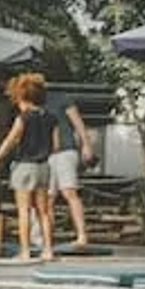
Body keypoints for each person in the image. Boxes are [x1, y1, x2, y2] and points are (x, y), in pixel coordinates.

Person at [0, 73, 59, 261]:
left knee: (24, 211)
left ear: (20, 96)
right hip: (44, 166)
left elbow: (10, 141)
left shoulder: (23, 118)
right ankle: (48, 250)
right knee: (43, 211)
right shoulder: (51, 118)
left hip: (25, 165)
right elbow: (56, 145)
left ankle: (25, 251)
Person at [45, 88, 95, 248]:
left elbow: (78, 122)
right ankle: (47, 239)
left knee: (69, 192)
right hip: (45, 154)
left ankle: (82, 235)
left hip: (65, 151)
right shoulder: (30, 102)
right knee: (47, 198)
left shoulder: (60, 97)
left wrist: (86, 144)